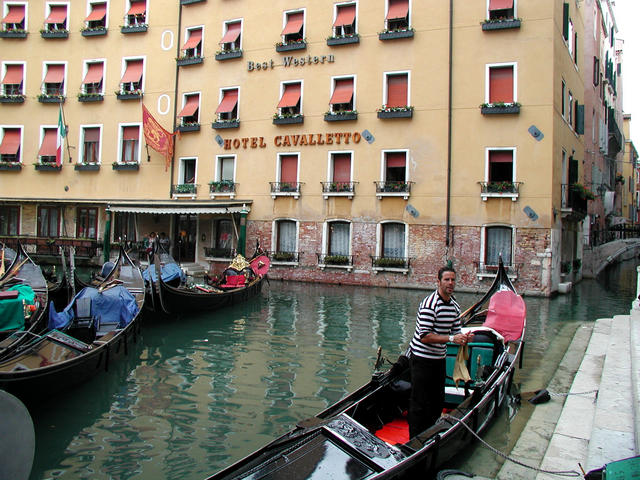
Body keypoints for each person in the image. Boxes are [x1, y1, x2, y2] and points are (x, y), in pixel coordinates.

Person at [408, 265, 472, 438]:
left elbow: (456, 331)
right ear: (438, 282)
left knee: (437, 401)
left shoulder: (454, 307)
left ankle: (431, 434)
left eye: (453, 280)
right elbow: (424, 336)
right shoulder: (429, 305)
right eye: (447, 279)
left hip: (438, 360)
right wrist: (451, 339)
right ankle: (414, 440)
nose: (450, 283)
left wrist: (466, 338)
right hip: (421, 359)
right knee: (420, 402)